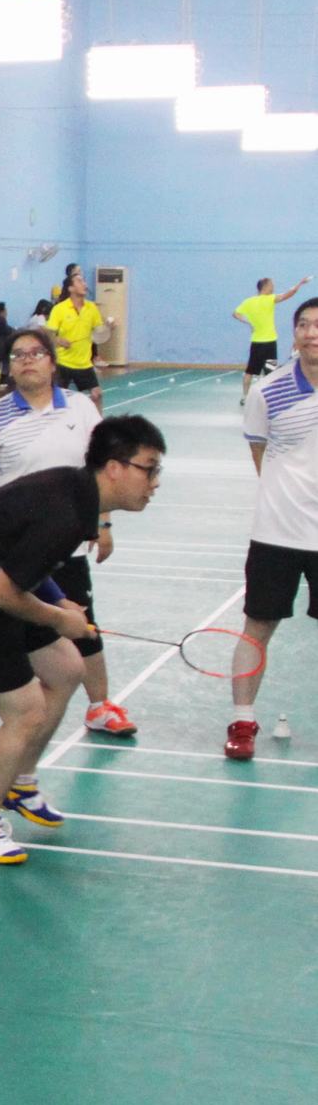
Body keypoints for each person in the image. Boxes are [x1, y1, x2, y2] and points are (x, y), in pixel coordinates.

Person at [0, 415, 166, 865]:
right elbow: (2, 592)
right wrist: (58, 619)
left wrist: (58, 601)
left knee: (68, 668)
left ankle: (19, 782)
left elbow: (20, 555)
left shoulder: (77, 493)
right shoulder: (67, 513)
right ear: (115, 468)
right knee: (25, 711)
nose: (154, 483)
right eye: (149, 469)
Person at [0, 328, 135, 738]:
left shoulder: (80, 408)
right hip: (14, 549)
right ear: (9, 368)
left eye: (36, 353)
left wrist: (103, 523)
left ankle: (99, 706)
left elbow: (100, 472)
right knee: (16, 629)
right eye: (18, 355)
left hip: (66, 544)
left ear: (52, 362)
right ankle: (19, 708)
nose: (27, 360)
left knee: (83, 623)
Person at [228, 297, 318, 760]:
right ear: (294, 333)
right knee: (257, 627)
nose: (311, 333)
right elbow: (259, 452)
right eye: (303, 325)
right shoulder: (268, 391)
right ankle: (242, 721)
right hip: (276, 532)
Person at [233, 274, 308, 401]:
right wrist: (300, 283)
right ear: (265, 287)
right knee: (270, 371)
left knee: (250, 371)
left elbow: (236, 314)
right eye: (272, 285)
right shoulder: (270, 299)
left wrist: (248, 322)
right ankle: (269, 396)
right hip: (269, 343)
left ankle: (245, 397)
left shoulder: (248, 302)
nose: (273, 287)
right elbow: (289, 294)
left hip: (257, 343)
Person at [46, 269, 107, 410]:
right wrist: (58, 340)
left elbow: (99, 335)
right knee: (56, 400)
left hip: (84, 364)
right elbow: (48, 335)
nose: (84, 284)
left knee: (97, 395)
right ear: (71, 288)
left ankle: (99, 424)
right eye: (80, 281)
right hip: (63, 363)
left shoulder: (91, 308)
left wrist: (108, 328)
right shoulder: (59, 309)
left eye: (84, 281)